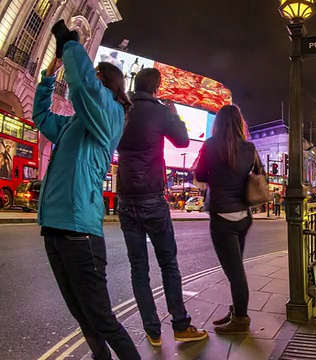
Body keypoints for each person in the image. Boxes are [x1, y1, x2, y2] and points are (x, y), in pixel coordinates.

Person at [33, 21, 140, 360]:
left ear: (105, 83)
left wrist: (70, 44)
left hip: (80, 230)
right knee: (83, 316)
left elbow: (84, 87)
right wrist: (50, 76)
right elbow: (40, 116)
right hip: (53, 228)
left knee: (103, 319)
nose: (89, 77)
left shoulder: (109, 114)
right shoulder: (72, 124)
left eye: (96, 74)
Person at [116, 68, 208, 346]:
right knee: (168, 264)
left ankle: (152, 330)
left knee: (138, 267)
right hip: (152, 197)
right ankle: (180, 324)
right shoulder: (158, 111)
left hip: (125, 197)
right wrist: (173, 112)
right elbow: (181, 140)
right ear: (156, 88)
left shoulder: (122, 110)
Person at [194, 104, 258, 334]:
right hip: (243, 216)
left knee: (235, 273)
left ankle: (241, 319)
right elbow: (257, 173)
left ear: (217, 123)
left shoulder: (210, 146)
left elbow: (200, 175)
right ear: (240, 123)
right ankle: (236, 310)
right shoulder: (249, 148)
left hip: (222, 217)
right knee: (236, 269)